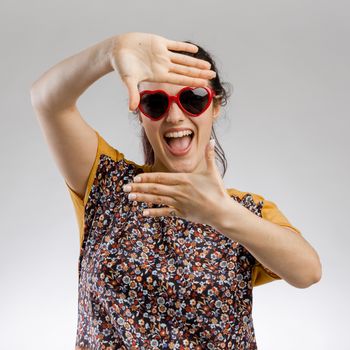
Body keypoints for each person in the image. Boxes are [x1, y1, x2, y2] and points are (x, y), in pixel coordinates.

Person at [30, 32, 322, 349]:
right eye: (155, 102)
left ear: (215, 106)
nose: (174, 115)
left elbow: (307, 272)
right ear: (140, 113)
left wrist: (220, 214)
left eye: (193, 98)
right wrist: (108, 52)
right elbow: (48, 101)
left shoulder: (244, 211)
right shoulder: (107, 183)